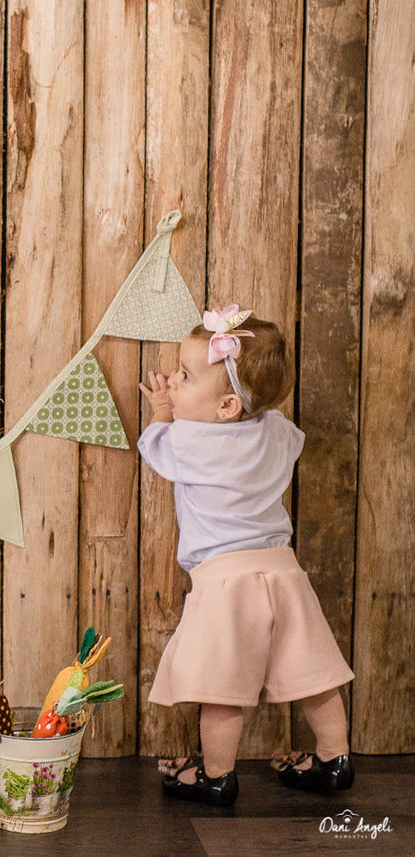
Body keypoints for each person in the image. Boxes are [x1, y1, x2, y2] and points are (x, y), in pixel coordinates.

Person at [137, 305, 354, 807]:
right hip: (284, 571)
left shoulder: (187, 440)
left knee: (222, 686)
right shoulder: (277, 431)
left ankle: (217, 777)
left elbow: (153, 444)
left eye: (185, 376)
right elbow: (280, 427)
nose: (173, 381)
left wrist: (162, 411)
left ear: (228, 406)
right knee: (312, 673)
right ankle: (335, 758)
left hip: (225, 581)